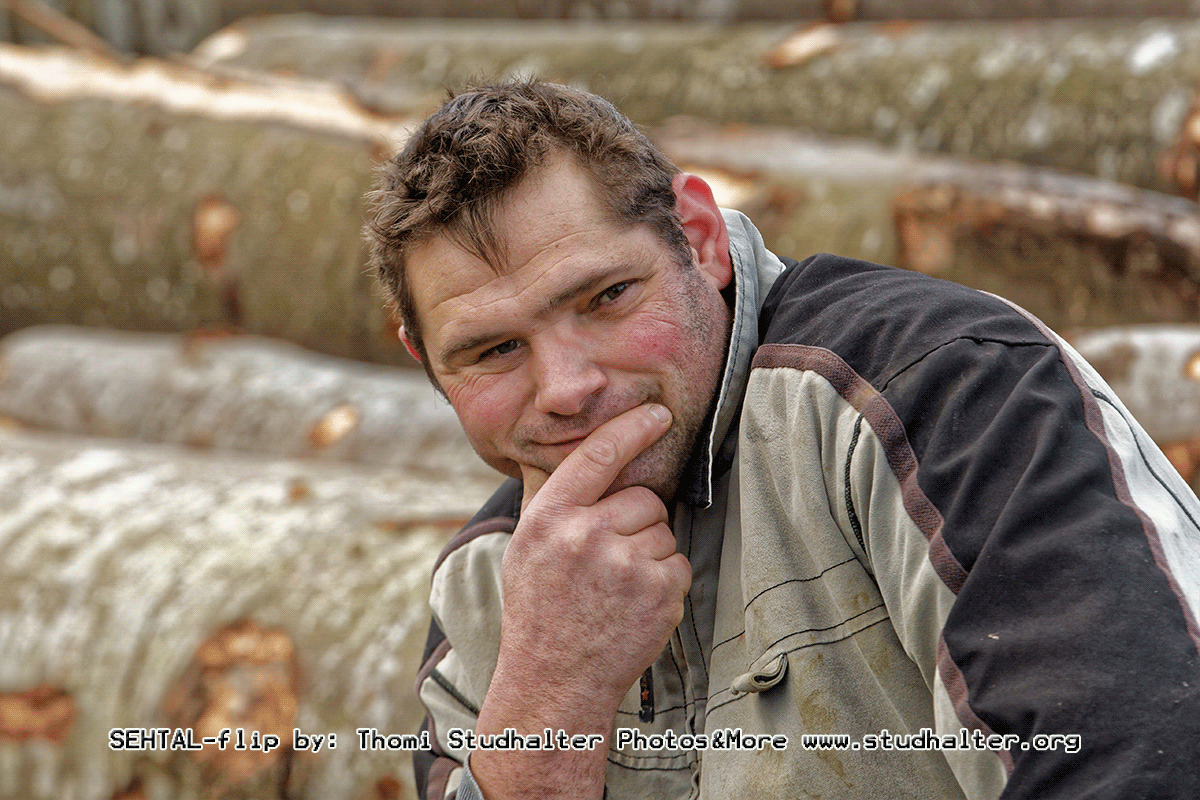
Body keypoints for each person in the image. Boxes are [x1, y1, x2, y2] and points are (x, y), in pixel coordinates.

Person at [365, 81, 1200, 800]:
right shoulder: (487, 590)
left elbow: (1136, 761)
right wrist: (546, 712)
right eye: (495, 350)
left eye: (607, 297)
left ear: (699, 237)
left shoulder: (938, 391)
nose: (566, 388)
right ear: (425, 361)